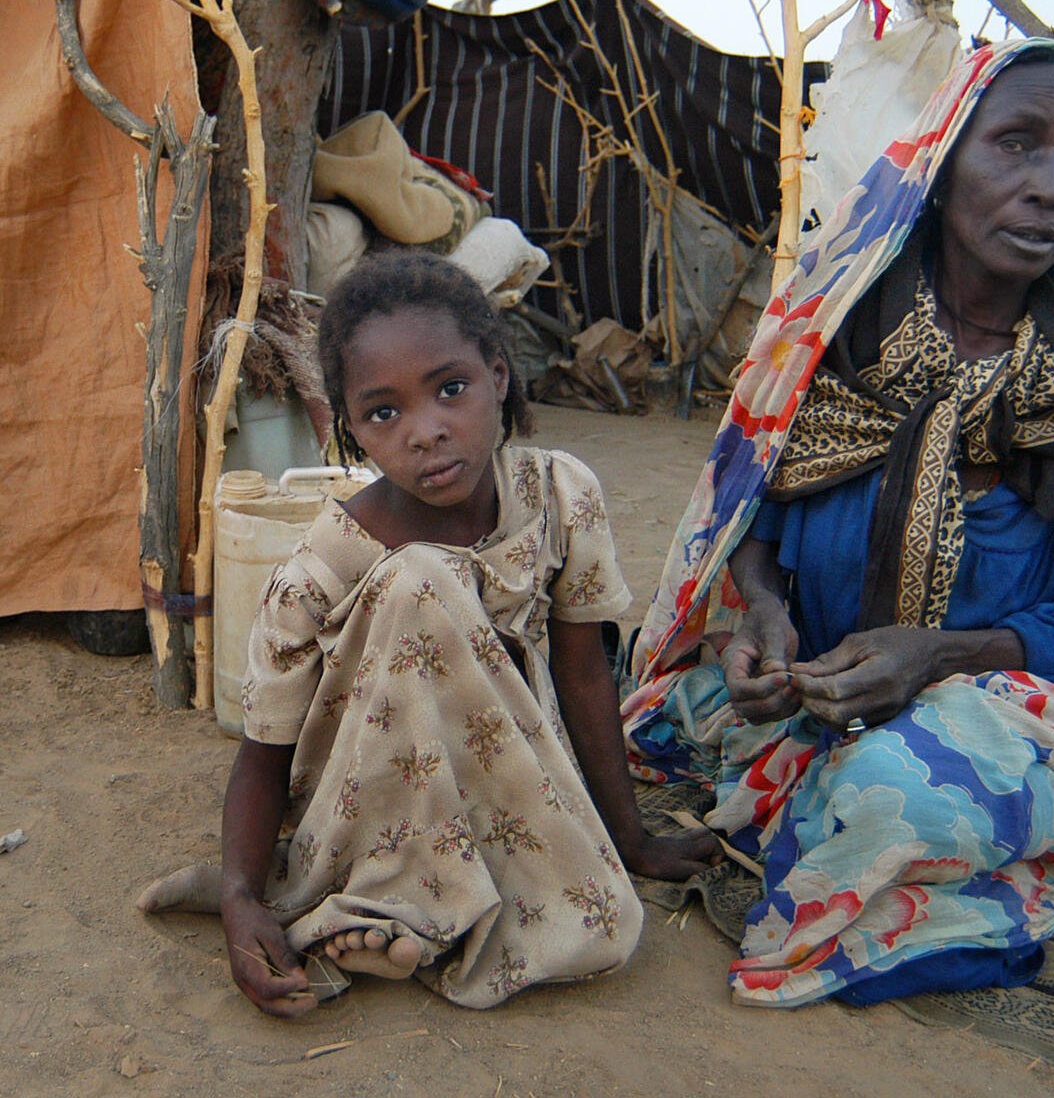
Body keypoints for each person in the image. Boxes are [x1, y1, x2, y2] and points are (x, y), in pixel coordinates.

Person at [621, 39, 1054, 1008]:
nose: (1049, 188)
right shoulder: (838, 318)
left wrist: (937, 654)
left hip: (1010, 698)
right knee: (646, 716)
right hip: (827, 679)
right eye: (1014, 144)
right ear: (942, 159)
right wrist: (761, 606)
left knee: (894, 798)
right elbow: (760, 499)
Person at [216, 252, 718, 1017]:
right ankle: (359, 895)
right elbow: (265, 756)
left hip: (507, 778)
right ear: (351, 429)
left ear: (498, 375)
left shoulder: (557, 495)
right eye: (384, 413)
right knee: (420, 579)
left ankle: (407, 915)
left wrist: (633, 836)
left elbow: (584, 675)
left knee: (602, 923)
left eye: (451, 390)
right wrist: (238, 897)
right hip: (367, 801)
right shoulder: (322, 567)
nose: (426, 432)